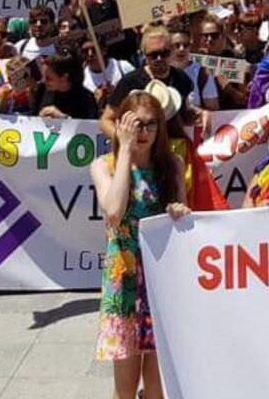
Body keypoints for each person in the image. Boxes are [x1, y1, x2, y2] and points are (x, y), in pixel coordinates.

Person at [92, 91, 189, 399]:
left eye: (150, 125)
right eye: (136, 125)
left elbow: (184, 222)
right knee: (125, 386)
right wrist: (124, 153)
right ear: (122, 126)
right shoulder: (104, 165)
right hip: (124, 279)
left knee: (159, 386)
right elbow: (113, 211)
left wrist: (178, 212)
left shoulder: (172, 164)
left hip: (162, 278)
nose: (143, 132)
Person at [101, 27, 195, 142]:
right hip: (140, 152)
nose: (159, 59)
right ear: (144, 55)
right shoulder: (130, 82)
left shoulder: (181, 78)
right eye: (153, 55)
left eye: (164, 53)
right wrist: (125, 142)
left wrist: (201, 114)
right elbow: (106, 120)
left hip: (174, 150)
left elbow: (186, 113)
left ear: (171, 51)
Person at [32, 54, 100, 120]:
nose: (43, 81)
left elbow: (91, 126)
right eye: (43, 76)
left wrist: (63, 117)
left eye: (48, 78)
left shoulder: (86, 98)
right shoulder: (42, 89)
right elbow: (33, 116)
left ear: (64, 77)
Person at [168, 28, 219, 111]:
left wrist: (192, 109)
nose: (182, 49)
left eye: (185, 45)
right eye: (176, 45)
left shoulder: (203, 72)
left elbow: (213, 110)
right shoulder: (161, 71)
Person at [82, 39, 135, 107]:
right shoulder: (82, 78)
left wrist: (117, 91)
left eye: (94, 50)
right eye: (85, 51)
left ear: (104, 50)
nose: (90, 54)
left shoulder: (123, 67)